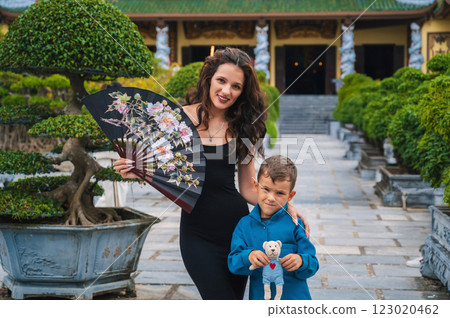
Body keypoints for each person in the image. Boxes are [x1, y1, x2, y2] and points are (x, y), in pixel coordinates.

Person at [114, 47, 310, 299]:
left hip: (237, 231)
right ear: (209, 79)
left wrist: (286, 206)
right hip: (196, 233)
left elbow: (249, 189)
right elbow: (168, 177)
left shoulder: (243, 127)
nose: (227, 91)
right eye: (221, 80)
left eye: (236, 86)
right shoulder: (177, 120)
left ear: (243, 91)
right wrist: (137, 172)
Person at [228, 155, 318, 300]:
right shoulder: (244, 225)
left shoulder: (295, 224)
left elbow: (313, 263)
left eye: (280, 193)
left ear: (290, 196)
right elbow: (233, 263)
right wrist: (249, 256)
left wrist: (301, 261)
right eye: (266, 189)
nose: (271, 198)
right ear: (256, 187)